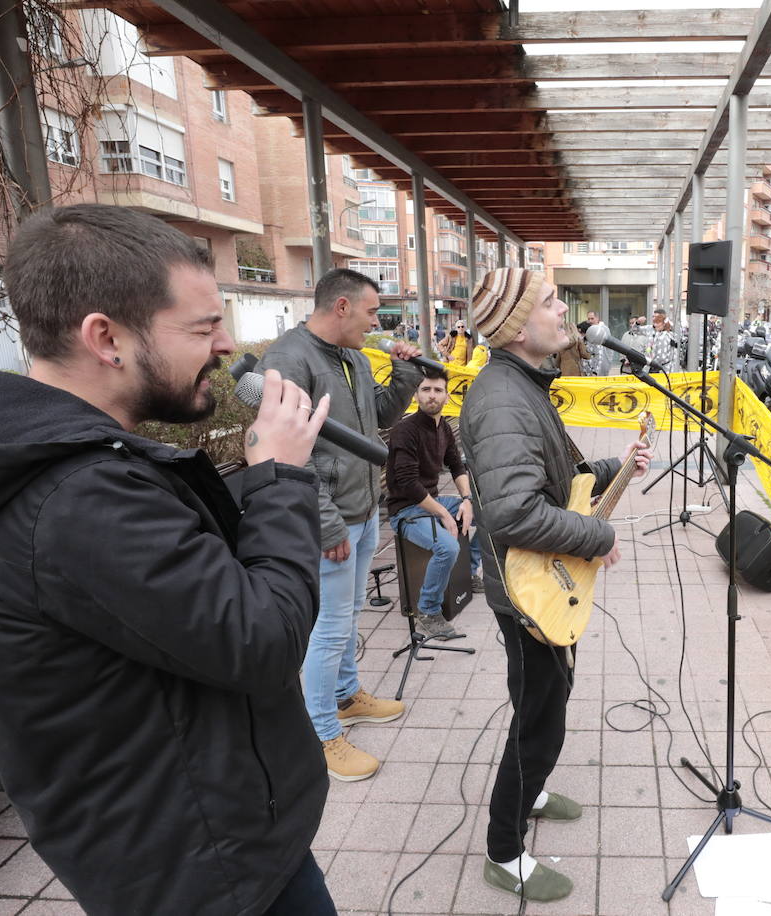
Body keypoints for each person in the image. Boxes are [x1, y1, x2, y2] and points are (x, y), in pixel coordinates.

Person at [0, 204, 336, 914]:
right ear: (105, 337)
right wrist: (281, 477)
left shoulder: (64, 463)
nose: (226, 345)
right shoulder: (76, 498)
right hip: (202, 869)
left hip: (203, 839)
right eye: (201, 328)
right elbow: (260, 638)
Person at [461, 267, 652, 902]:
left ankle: (532, 790)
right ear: (516, 327)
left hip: (540, 581)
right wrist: (599, 539)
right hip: (525, 590)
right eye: (548, 301)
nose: (563, 308)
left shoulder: (522, 385)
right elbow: (514, 512)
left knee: (547, 697)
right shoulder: (502, 398)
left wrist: (612, 468)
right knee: (539, 718)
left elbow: (554, 476)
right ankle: (503, 850)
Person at [259, 268, 422, 781]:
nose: (376, 324)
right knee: (327, 631)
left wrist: (406, 375)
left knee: (346, 617)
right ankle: (321, 733)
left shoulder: (350, 356)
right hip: (329, 519)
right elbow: (288, 454)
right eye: (372, 312)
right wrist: (326, 525)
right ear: (343, 307)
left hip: (363, 507)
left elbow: (374, 417)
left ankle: (347, 696)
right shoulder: (288, 359)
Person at [386, 367, 482, 640]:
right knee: (447, 546)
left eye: (437, 390)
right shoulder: (405, 431)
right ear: (416, 394)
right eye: (425, 389)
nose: (432, 395)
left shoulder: (444, 430)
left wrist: (466, 501)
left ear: (447, 396)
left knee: (492, 514)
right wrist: (444, 514)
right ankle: (427, 611)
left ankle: (471, 571)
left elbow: (456, 466)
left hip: (432, 501)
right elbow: (406, 483)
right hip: (405, 511)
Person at [644, 308, 680, 372]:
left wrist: (650, 361)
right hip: (658, 367)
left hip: (661, 370)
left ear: (664, 324)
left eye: (658, 323)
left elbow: (661, 357)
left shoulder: (664, 337)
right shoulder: (660, 334)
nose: (655, 325)